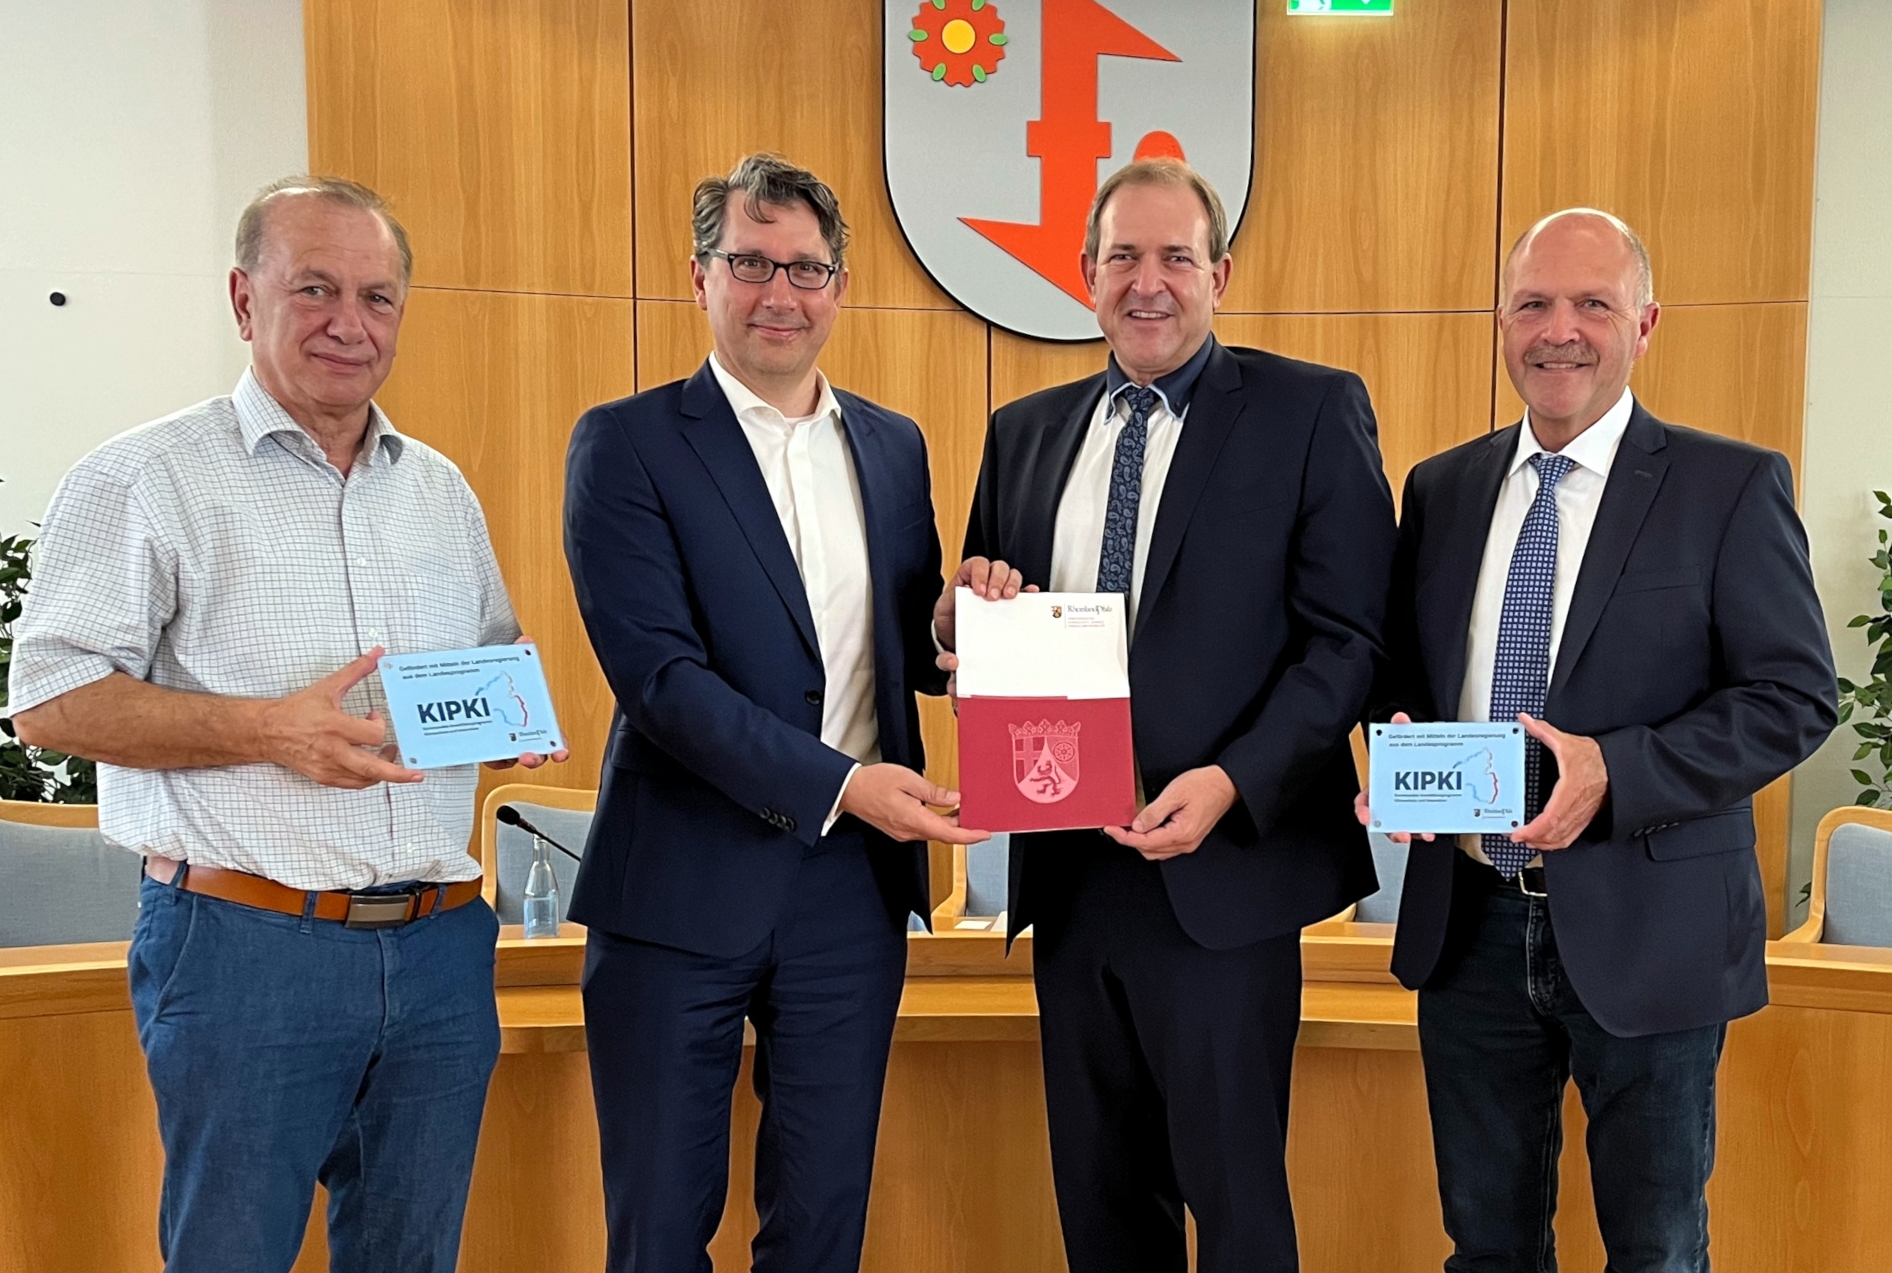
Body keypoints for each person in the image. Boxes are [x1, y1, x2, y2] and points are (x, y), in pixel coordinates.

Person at [9, 175, 562, 1272]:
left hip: (443, 946)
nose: (348, 323)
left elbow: (488, 666)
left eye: (376, 295)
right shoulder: (146, 477)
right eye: (314, 288)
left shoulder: (440, 490)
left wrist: (501, 719)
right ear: (242, 296)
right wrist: (271, 730)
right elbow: (50, 699)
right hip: (246, 946)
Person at [941, 158, 1397, 1272]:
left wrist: (1235, 779)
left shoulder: (1309, 409)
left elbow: (1352, 640)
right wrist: (961, 625)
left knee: (1236, 1210)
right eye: (1124, 257)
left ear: (1220, 273)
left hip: (1225, 879)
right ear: (1084, 272)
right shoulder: (1025, 431)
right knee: (1102, 1209)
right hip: (1071, 873)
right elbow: (980, 625)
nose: (1151, 282)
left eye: (1177, 257)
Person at [1362, 208, 1837, 1271]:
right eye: (1533, 303)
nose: (1559, 330)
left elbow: (1795, 693)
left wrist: (1614, 769)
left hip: (1651, 928)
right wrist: (1399, 762)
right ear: (1501, 322)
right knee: (1485, 1243)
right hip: (1471, 927)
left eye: (1592, 303)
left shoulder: (1730, 485)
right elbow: (1403, 680)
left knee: (1657, 1249)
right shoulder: (1441, 490)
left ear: (1646, 322)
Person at [562, 152, 988, 1273]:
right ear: (700, 275)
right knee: (659, 1224)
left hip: (851, 894)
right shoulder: (628, 442)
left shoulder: (892, 446)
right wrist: (843, 781)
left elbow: (900, 640)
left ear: (839, 286)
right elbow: (659, 678)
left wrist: (952, 627)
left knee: (822, 1220)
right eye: (749, 262)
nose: (778, 292)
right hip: (678, 888)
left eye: (804, 267)